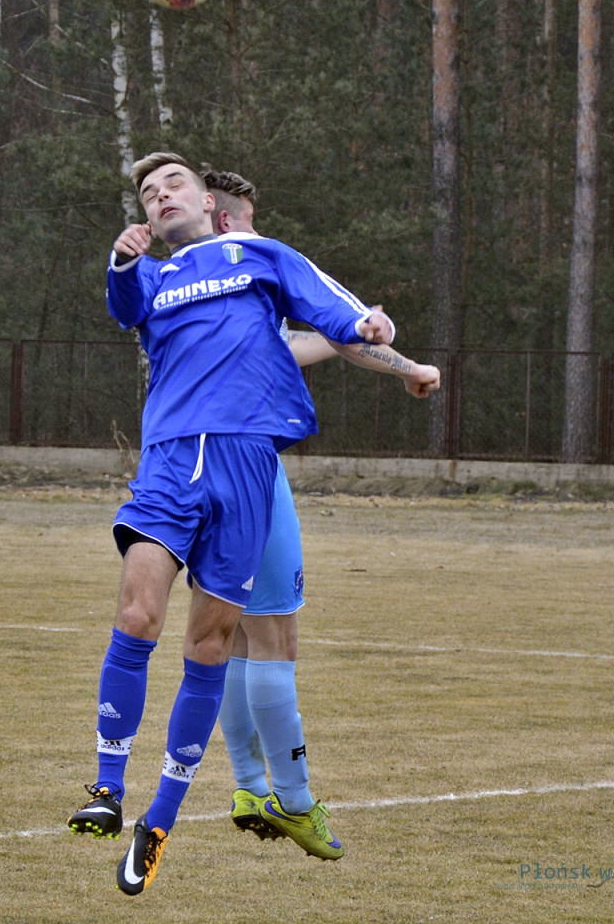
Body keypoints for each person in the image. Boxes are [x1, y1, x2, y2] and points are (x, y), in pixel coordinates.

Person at [66, 153, 396, 896]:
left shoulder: (262, 257)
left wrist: (378, 330)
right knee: (137, 611)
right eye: (149, 195)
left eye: (171, 184)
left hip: (247, 467)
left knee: (210, 642)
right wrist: (121, 264)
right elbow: (124, 309)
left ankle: (159, 820)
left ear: (208, 203)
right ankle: (105, 790)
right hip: (169, 461)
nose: (159, 197)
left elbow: (337, 314)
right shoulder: (151, 275)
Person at [200, 166, 440, 856]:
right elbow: (344, 329)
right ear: (222, 218)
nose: (251, 232)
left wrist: (398, 365)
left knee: (237, 637)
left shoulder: (175, 284)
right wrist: (410, 366)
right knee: (276, 641)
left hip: (188, 470)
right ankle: (297, 802)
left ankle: (248, 784)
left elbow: (316, 345)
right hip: (248, 466)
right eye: (244, 220)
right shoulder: (258, 263)